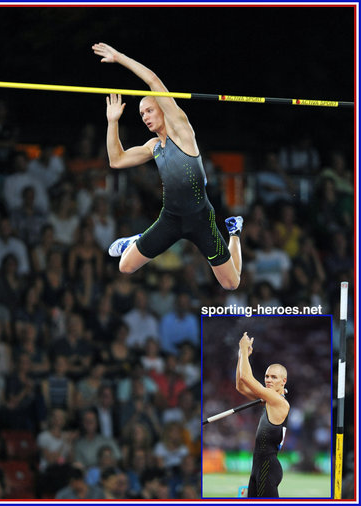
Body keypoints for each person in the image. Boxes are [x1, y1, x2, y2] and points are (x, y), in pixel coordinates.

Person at [92, 42, 242, 291]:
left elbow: (152, 79)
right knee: (125, 267)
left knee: (231, 284)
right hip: (170, 219)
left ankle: (234, 231)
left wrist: (119, 57)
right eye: (142, 115)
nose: (146, 117)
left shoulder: (183, 132)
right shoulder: (153, 146)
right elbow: (116, 160)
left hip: (201, 220)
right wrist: (112, 122)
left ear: (163, 109)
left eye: (150, 110)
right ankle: (138, 240)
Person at [236, 332, 290, 498]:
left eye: (274, 377)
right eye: (267, 376)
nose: (268, 380)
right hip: (257, 469)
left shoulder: (278, 401)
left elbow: (246, 376)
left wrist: (244, 350)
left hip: (268, 468)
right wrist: (241, 356)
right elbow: (240, 386)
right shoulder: (269, 399)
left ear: (284, 381)